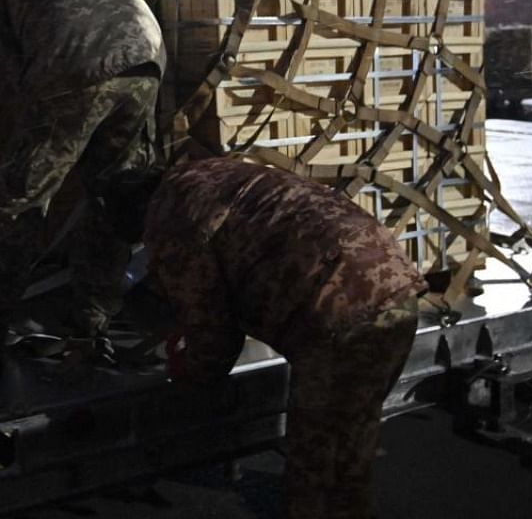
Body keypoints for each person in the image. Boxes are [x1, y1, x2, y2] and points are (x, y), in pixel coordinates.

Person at [112, 157, 427, 519]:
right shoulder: (207, 171)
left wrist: (189, 374)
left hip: (338, 313)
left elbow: (212, 332)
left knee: (315, 463)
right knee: (349, 444)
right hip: (394, 286)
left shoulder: (168, 220)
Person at [0, 0, 166, 376]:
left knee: (19, 206)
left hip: (73, 68)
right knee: (113, 195)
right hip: (148, 63)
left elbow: (6, 77)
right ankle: (92, 322)